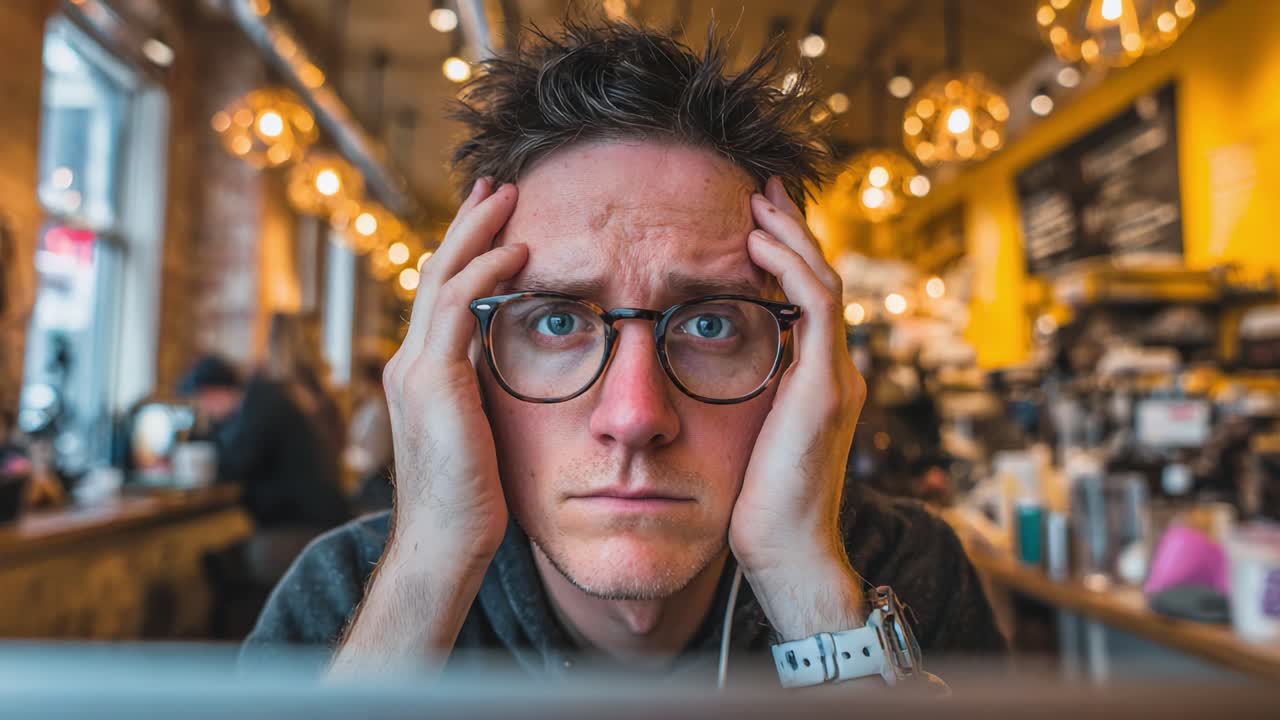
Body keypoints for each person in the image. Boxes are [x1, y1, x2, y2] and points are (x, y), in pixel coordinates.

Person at [244, 19, 1004, 685]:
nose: (636, 416)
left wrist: (806, 583)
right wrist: (430, 563)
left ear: (804, 364)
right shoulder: (346, 594)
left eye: (711, 324)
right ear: (460, 364)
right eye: (553, 322)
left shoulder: (903, 574)